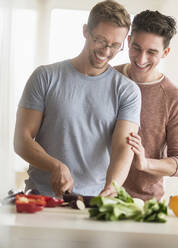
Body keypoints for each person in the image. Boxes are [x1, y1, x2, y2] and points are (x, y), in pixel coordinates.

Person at [14, 0, 141, 197]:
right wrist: (55, 165)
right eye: (100, 40)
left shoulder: (127, 91)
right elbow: (22, 140)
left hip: (93, 201)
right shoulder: (45, 76)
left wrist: (112, 186)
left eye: (115, 45)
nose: (106, 52)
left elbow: (123, 147)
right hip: (41, 198)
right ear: (85, 31)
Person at [114, 10, 178, 201]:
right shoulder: (107, 79)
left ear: (165, 53)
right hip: (92, 195)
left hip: (142, 203)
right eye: (136, 48)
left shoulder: (174, 99)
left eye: (152, 52)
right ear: (129, 40)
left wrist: (145, 163)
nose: (141, 59)